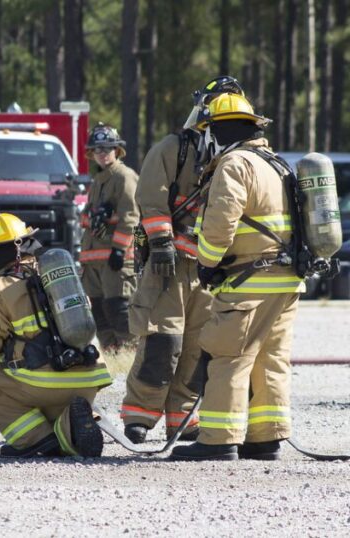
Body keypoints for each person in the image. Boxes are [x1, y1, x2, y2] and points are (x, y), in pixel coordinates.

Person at [169, 92, 303, 461]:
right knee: (270, 359)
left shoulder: (235, 163)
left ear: (219, 130)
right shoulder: (275, 162)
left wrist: (207, 263)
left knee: (229, 354)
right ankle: (265, 437)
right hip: (285, 278)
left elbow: (220, 222)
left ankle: (218, 439)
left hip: (249, 279)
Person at [121, 76, 244, 444]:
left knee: (198, 346)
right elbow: (151, 196)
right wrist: (159, 243)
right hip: (169, 267)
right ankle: (140, 414)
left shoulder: (235, 159)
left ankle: (182, 419)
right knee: (163, 342)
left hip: (209, 268)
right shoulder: (174, 148)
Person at [0, 213, 111, 458]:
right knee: (55, 391)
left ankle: (33, 439)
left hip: (42, 385)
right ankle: (72, 427)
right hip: (89, 380)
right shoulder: (62, 277)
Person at [79, 123, 139, 351]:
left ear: (117, 150)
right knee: (99, 311)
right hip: (93, 261)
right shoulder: (99, 180)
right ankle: (112, 353)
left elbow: (130, 217)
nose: (102, 153)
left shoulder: (124, 177)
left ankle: (131, 353)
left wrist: (119, 250)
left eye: (107, 148)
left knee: (118, 309)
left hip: (115, 261)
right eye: (98, 149)